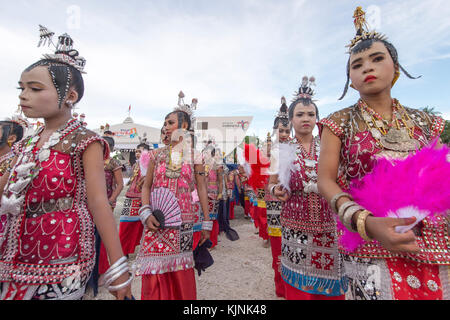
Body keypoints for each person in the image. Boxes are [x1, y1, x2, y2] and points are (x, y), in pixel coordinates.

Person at [317, 7, 448, 300]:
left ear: (396, 68)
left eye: (377, 59)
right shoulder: (337, 122)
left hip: (433, 241)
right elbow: (326, 181)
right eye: (357, 64)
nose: (367, 67)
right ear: (351, 79)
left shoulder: (426, 122)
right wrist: (367, 223)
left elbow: (441, 177)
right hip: (370, 243)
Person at [0, 26, 132, 300]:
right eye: (21, 88)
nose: (24, 95)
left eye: (35, 88)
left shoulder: (86, 140)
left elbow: (98, 203)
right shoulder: (26, 143)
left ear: (70, 96)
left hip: (61, 255)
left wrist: (119, 270)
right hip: (10, 255)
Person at [269, 76, 346, 300]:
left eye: (311, 114)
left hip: (329, 226)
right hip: (296, 228)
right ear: (291, 120)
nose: (306, 119)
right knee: (300, 288)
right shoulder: (281, 150)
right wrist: (276, 191)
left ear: (317, 118)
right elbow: (270, 185)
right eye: (300, 115)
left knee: (332, 283)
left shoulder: (330, 147)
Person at [134, 92, 211, 300]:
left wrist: (206, 222)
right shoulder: (155, 155)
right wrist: (145, 212)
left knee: (180, 270)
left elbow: (202, 188)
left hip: (183, 221)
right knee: (154, 270)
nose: (165, 126)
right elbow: (146, 187)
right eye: (164, 123)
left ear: (183, 126)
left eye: (170, 122)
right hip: (155, 221)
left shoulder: (195, 156)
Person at [264, 97, 291, 298]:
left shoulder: (297, 147)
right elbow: (269, 181)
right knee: (278, 248)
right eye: (280, 131)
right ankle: (281, 287)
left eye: (286, 131)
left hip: (294, 205)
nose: (283, 134)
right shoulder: (271, 151)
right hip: (275, 203)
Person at [118, 142, 149, 258]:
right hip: (130, 197)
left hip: (142, 198)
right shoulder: (136, 165)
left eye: (139, 151)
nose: (137, 154)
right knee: (125, 223)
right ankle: (123, 250)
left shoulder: (149, 165)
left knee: (142, 225)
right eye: (136, 151)